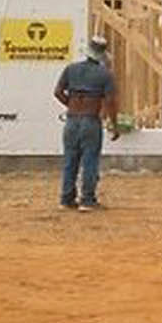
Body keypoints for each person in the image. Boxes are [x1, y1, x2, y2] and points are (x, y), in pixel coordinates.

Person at [54, 36, 119, 211]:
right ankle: (87, 200)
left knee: (70, 160)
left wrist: (72, 105)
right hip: (91, 121)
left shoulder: (71, 69)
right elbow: (111, 102)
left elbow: (58, 92)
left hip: (72, 120)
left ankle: (66, 198)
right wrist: (114, 124)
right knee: (90, 160)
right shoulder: (106, 75)